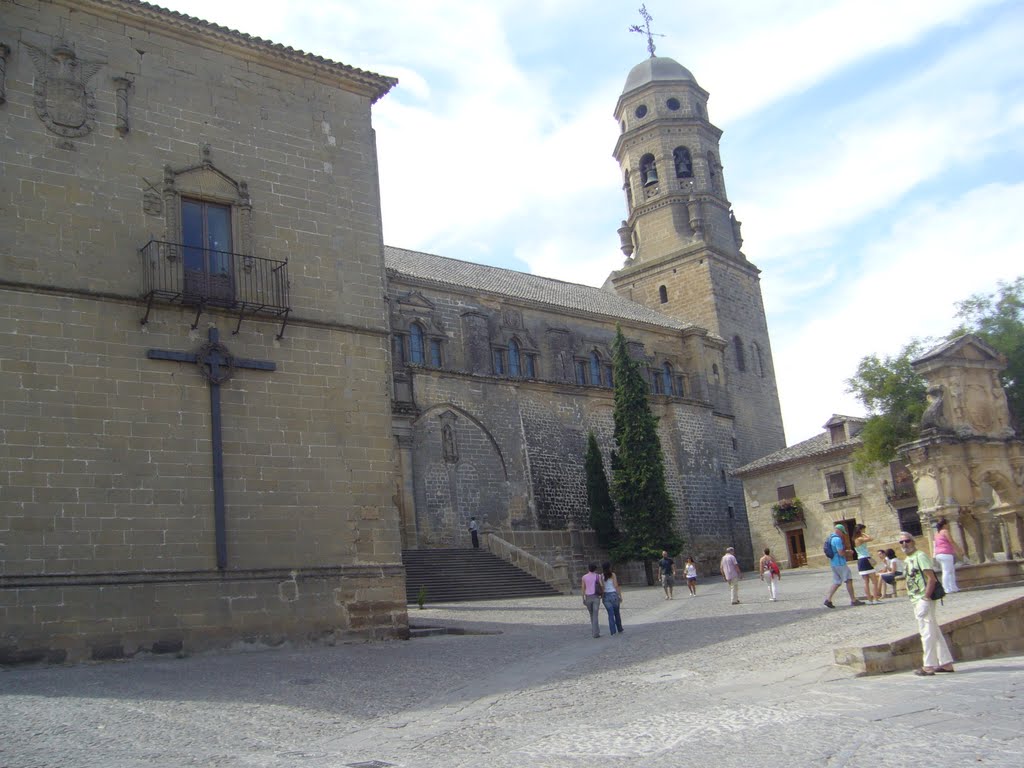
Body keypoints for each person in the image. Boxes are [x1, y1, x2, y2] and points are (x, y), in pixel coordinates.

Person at [899, 531, 955, 675]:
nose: (905, 544)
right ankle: (946, 662)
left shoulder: (920, 556)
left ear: (913, 541)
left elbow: (931, 578)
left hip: (923, 598)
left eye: (907, 541)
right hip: (916, 598)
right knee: (933, 631)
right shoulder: (907, 560)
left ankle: (928, 665)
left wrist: (925, 598)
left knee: (926, 632)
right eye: (902, 542)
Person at [824, 523, 865, 608]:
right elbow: (841, 553)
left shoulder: (830, 538)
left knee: (837, 582)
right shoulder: (837, 540)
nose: (843, 534)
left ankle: (828, 599)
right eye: (842, 532)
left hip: (833, 563)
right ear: (839, 531)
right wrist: (848, 552)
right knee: (848, 580)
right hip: (840, 563)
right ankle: (853, 600)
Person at [933, 518, 964, 594]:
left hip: (939, 554)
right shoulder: (945, 531)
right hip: (946, 553)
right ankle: (946, 588)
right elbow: (951, 541)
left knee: (950, 571)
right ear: (944, 525)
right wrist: (959, 550)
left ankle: (953, 587)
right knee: (947, 571)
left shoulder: (937, 534)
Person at [853, 524, 880, 604]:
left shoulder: (855, 539)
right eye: (863, 530)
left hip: (860, 560)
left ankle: (870, 600)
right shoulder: (860, 538)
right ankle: (875, 598)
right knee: (874, 581)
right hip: (865, 559)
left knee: (866, 581)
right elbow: (871, 538)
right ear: (861, 530)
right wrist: (864, 534)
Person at [581, 563, 604, 638]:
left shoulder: (584, 577)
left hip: (588, 597)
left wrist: (583, 598)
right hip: (596, 597)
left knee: (591, 614)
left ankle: (594, 631)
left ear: (588, 568)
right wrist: (602, 594)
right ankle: (595, 633)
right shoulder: (598, 576)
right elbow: (601, 585)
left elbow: (583, 588)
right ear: (595, 569)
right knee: (595, 615)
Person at [601, 561, 624, 636]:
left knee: (610, 614)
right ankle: (619, 628)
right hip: (613, 594)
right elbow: (616, 585)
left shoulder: (601, 576)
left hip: (606, 596)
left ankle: (612, 631)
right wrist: (620, 595)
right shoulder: (613, 575)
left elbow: (602, 587)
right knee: (617, 613)